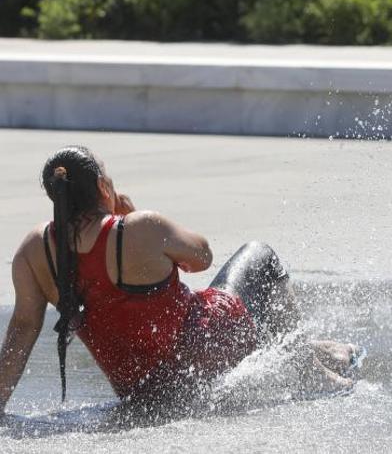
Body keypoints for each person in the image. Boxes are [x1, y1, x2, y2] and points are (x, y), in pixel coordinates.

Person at [0, 146, 358, 414]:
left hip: (142, 390)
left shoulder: (34, 251)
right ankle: (308, 369)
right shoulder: (139, 228)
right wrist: (133, 215)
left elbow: (20, 332)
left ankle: (314, 349)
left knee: (194, 305)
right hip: (209, 354)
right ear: (102, 186)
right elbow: (202, 257)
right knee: (260, 254)